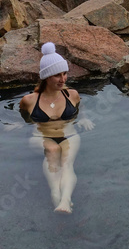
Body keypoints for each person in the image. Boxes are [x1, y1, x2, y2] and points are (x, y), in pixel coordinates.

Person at [19, 42, 92, 213]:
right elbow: (22, 114)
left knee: (66, 163)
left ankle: (65, 200)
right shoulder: (29, 100)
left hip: (70, 134)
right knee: (52, 150)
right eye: (57, 75)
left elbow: (81, 108)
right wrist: (15, 124)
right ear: (46, 77)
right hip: (40, 137)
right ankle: (55, 194)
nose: (63, 79)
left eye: (65, 73)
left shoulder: (72, 95)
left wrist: (84, 118)